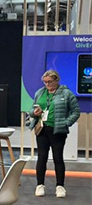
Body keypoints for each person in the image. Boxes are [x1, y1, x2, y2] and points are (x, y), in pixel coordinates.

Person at [29, 69, 80, 198]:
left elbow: (75, 111)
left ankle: (60, 186)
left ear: (56, 80)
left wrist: (66, 123)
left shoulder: (66, 94)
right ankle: (40, 185)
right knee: (42, 157)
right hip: (42, 129)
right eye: (45, 82)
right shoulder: (40, 93)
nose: (47, 84)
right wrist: (34, 113)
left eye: (50, 82)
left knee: (58, 158)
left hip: (58, 130)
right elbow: (31, 109)